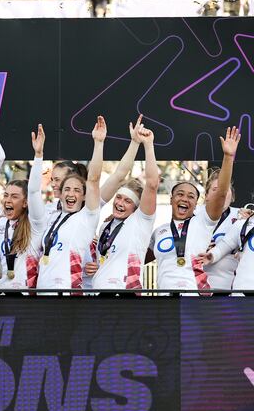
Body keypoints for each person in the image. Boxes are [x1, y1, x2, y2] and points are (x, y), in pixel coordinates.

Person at [149, 127, 240, 293]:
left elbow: (220, 194)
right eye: (180, 194)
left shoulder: (203, 222)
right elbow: (130, 253)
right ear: (171, 199)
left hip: (194, 297)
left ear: (198, 202)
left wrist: (228, 157)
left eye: (191, 196)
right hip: (163, 300)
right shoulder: (159, 232)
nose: (185, 199)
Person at [85, 123, 159, 291]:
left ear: (136, 208)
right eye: (118, 197)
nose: (119, 203)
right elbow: (108, 261)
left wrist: (148, 145)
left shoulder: (141, 221)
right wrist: (98, 269)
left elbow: (152, 184)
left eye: (127, 201)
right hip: (99, 294)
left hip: (126, 294)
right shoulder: (105, 226)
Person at [36, 117, 105, 292]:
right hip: (43, 292)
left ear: (84, 196)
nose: (70, 193)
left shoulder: (86, 217)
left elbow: (94, 180)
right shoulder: (52, 214)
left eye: (76, 190)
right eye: (66, 189)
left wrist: (98, 143)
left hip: (70, 293)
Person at [0, 125, 47, 290]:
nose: (8, 200)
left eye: (14, 197)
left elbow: (34, 191)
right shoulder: (1, 224)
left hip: (27, 296)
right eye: (6, 195)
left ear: (25, 202)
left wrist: (38, 155)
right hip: (2, 293)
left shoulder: (35, 224)